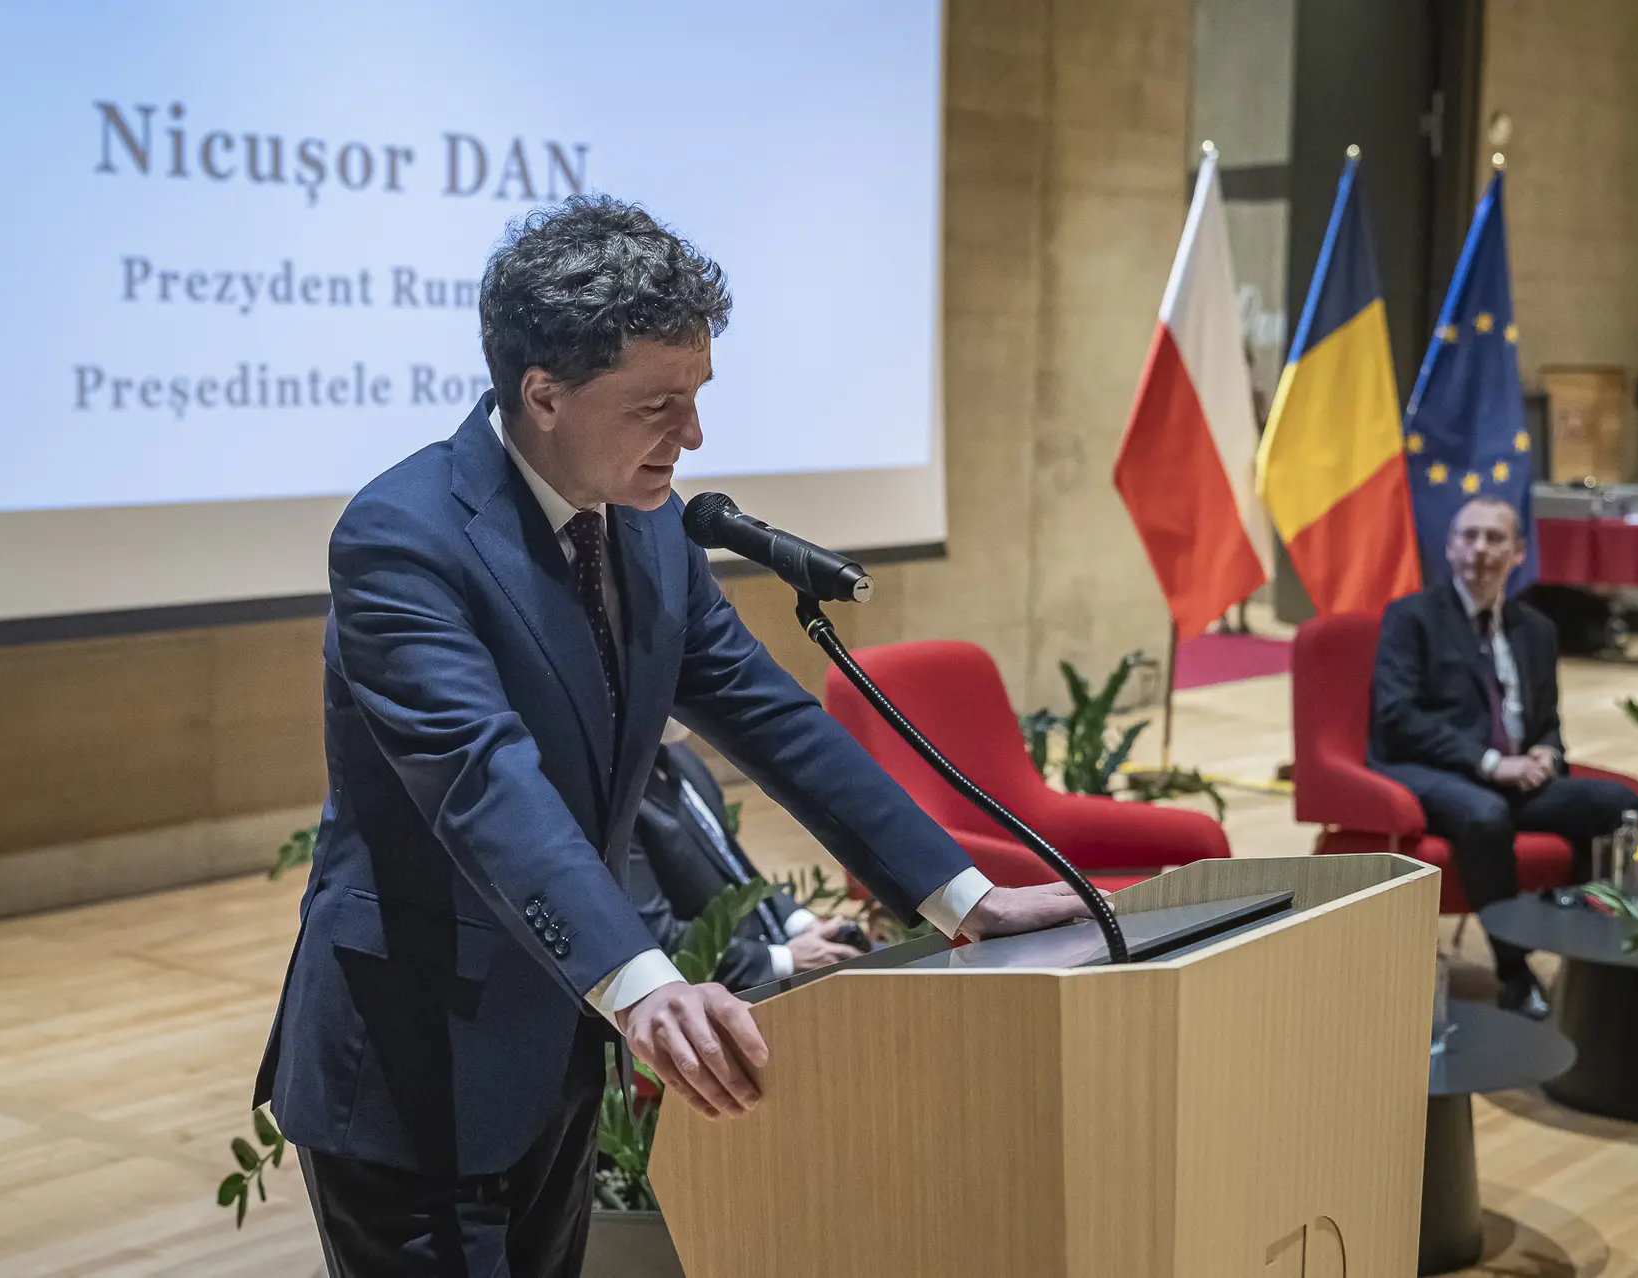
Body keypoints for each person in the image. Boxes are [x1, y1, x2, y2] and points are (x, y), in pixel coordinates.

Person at [252, 195, 1092, 1277]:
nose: (691, 436)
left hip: (555, 1050)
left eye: (697, 398)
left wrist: (962, 895)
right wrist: (643, 983)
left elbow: (768, 714)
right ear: (543, 395)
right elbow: (482, 781)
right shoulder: (402, 538)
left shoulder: (647, 526)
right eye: (658, 405)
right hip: (416, 1063)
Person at [1370, 496, 1638, 1018]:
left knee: (1615, 804)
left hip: (1513, 779)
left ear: (1518, 553)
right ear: (1450, 547)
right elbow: (1398, 719)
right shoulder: (1412, 618)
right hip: (1432, 772)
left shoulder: (1536, 630)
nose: (1479, 549)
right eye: (1468, 536)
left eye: (1494, 538)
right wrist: (1492, 763)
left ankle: (1584, 952)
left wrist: (1547, 754)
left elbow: (1548, 721)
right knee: (1486, 814)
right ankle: (1515, 973)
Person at [627, 725, 866, 992]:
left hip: (777, 951)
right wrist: (785, 960)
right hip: (729, 994)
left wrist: (805, 925)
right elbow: (659, 938)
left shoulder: (681, 755)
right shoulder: (619, 806)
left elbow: (736, 865)